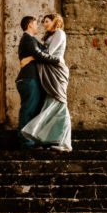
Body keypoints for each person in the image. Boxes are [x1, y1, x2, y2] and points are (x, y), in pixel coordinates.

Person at [20, 13, 72, 152]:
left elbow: (48, 52)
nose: (44, 24)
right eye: (42, 22)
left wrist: (30, 58)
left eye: (47, 21)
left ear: (55, 21)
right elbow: (41, 52)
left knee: (60, 102)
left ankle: (64, 142)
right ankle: (52, 138)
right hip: (50, 71)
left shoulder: (60, 33)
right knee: (50, 102)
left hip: (57, 70)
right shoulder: (47, 36)